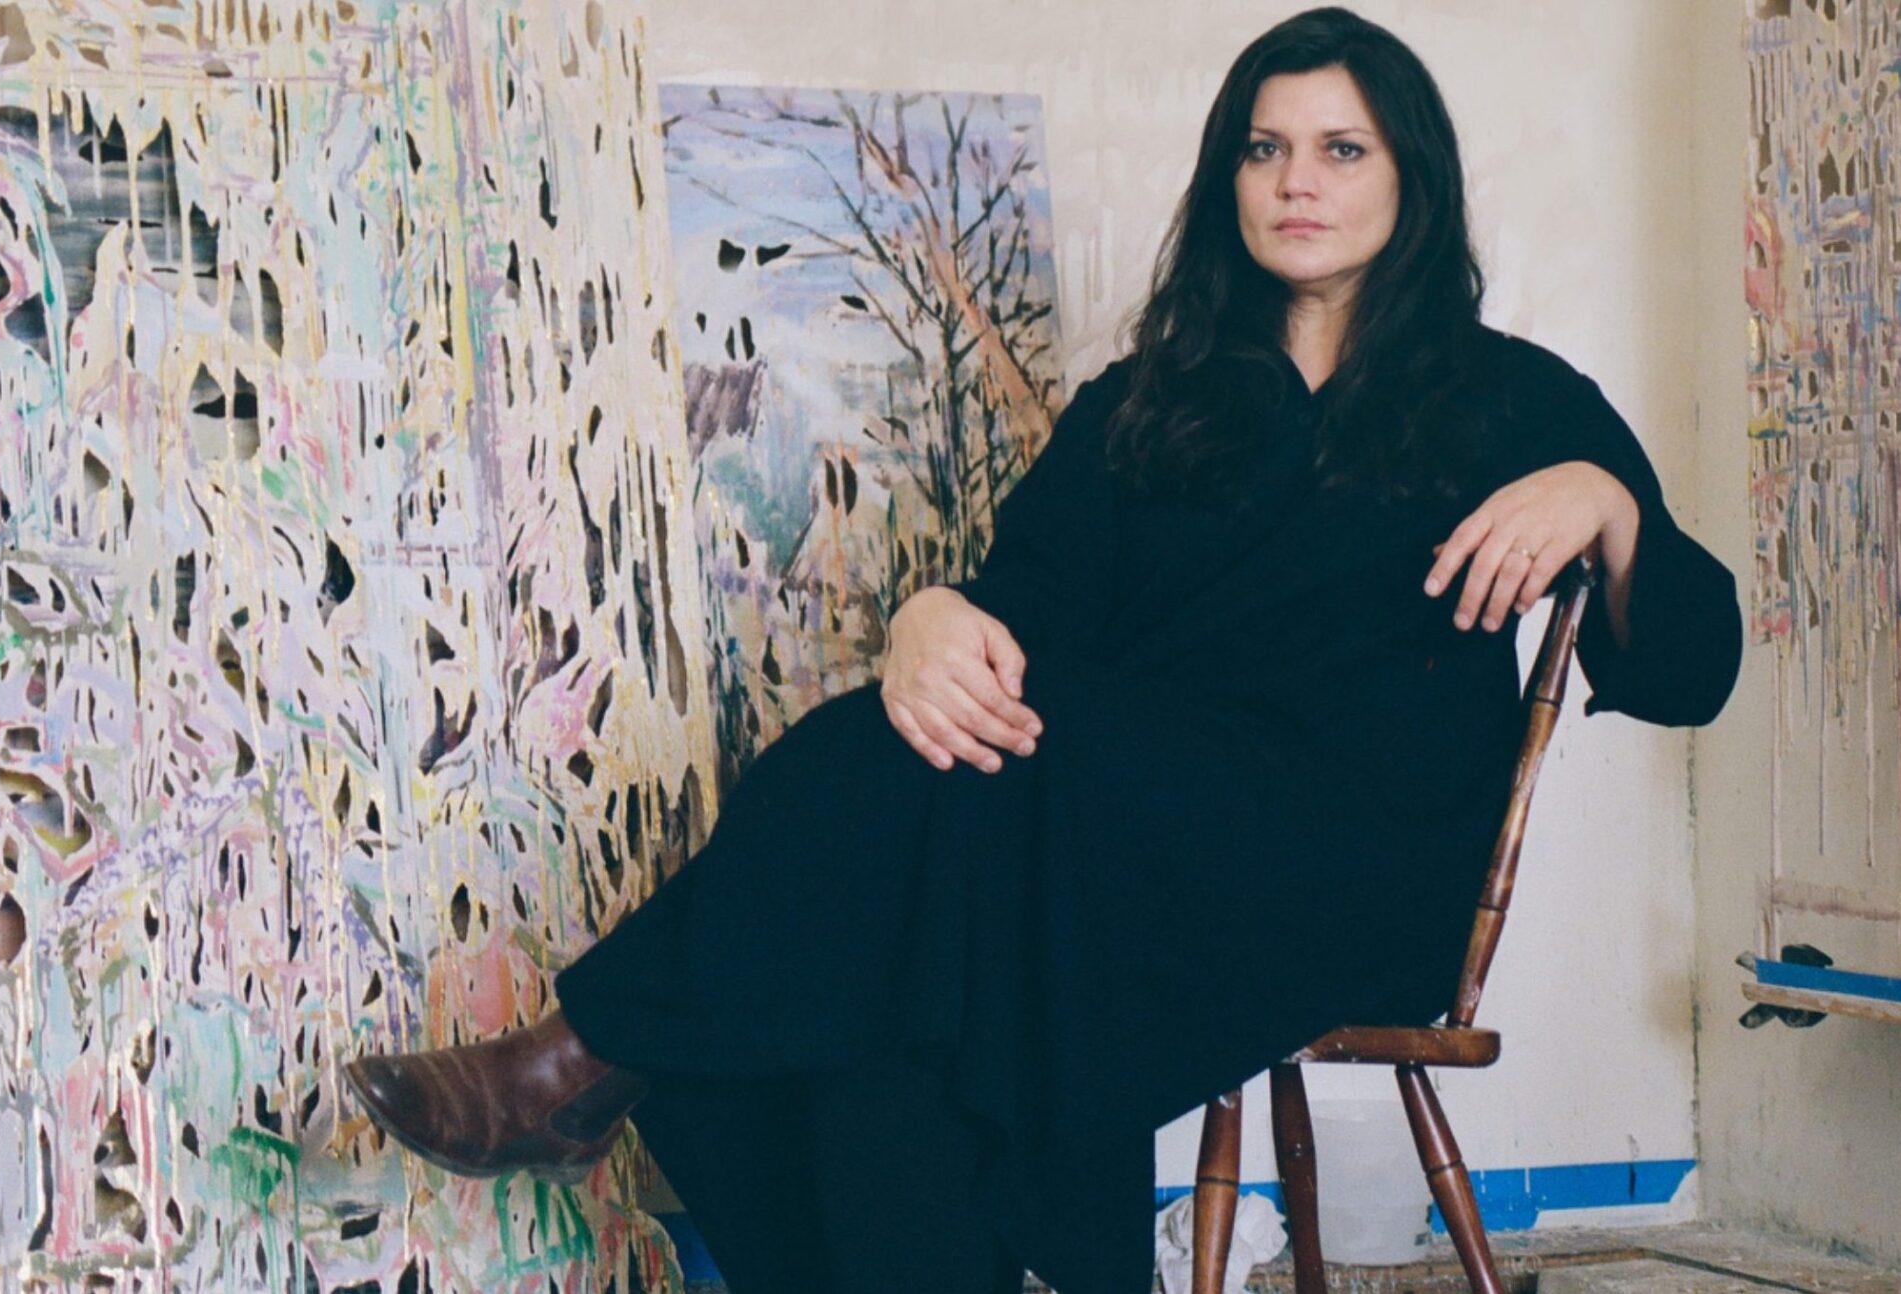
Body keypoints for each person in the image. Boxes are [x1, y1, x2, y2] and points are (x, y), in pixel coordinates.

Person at [342, 7, 1741, 1291]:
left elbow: (1695, 665)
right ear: (1227, 180)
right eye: (1263, 149)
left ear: (1408, 180)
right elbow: (1018, 620)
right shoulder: (1150, 405)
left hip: (1356, 873)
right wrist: (929, 616)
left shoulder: (1514, 402)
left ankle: (589, 1053)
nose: (1295, 181)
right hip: (1118, 855)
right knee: (909, 982)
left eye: (1338, 148)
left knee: (943, 860)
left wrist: (1614, 510)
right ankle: (609, 1068)